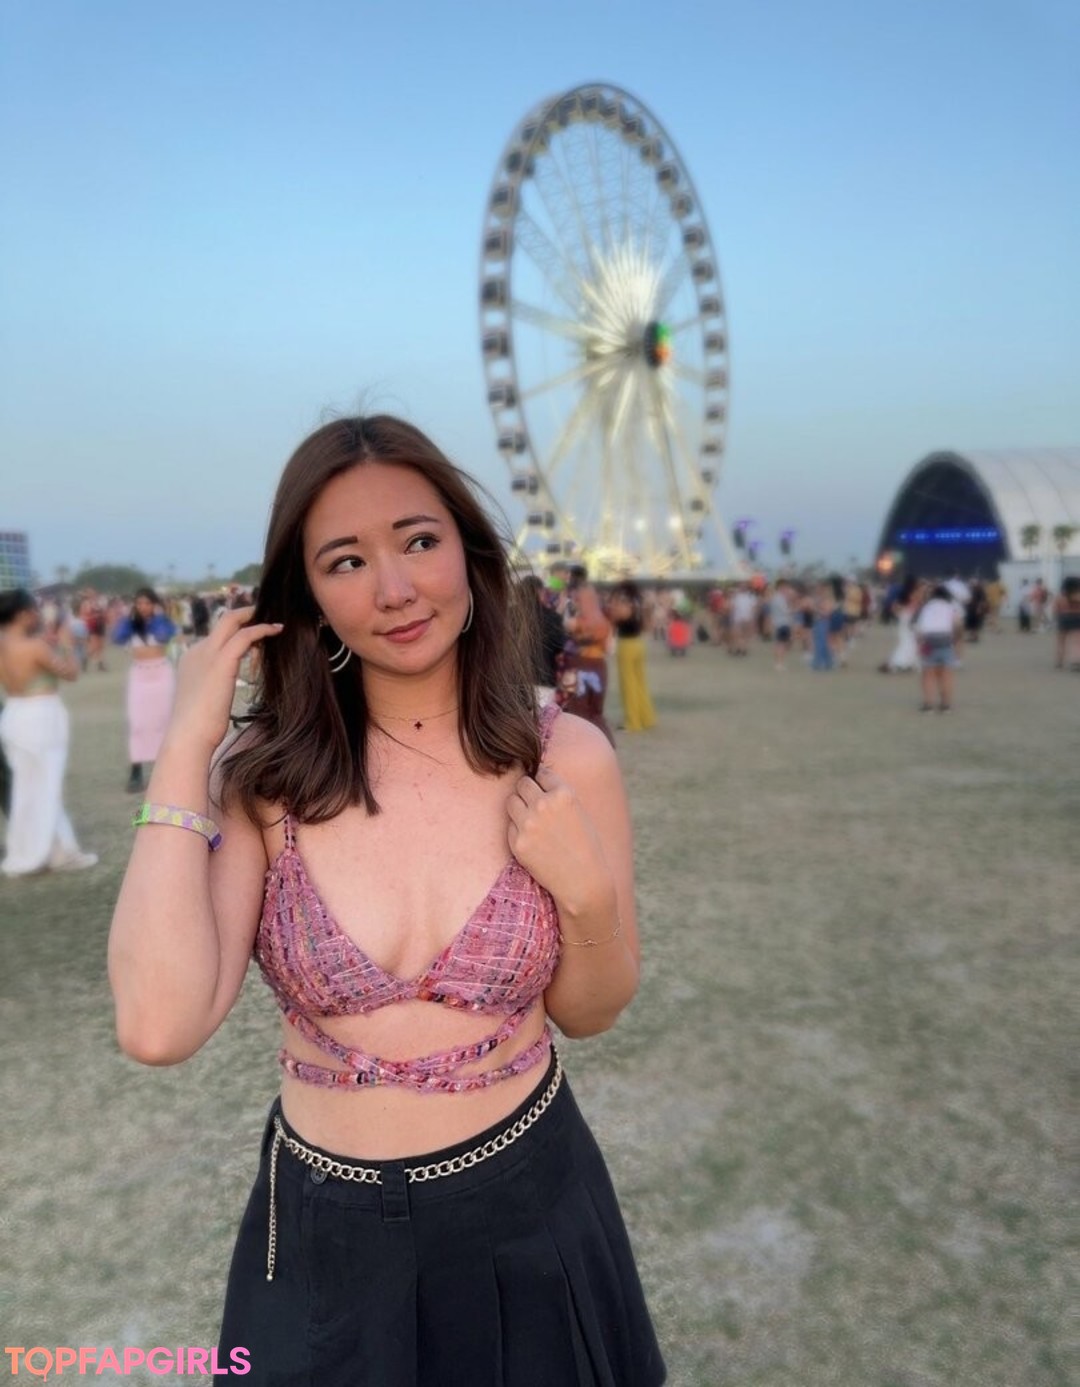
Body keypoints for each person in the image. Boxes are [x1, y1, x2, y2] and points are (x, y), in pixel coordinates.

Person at [107, 415, 665, 1386]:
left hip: (532, 1211)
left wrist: (584, 893)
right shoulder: (262, 780)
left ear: (468, 553)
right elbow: (158, 1025)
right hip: (324, 1239)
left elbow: (593, 1009)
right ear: (309, 594)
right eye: (347, 560)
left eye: (418, 540)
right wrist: (187, 747)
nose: (396, 588)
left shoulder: (565, 758)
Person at [0, 588, 97, 875]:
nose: (37, 615)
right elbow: (70, 673)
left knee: (27, 788)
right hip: (40, 715)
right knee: (46, 785)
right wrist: (67, 645)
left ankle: (37, 850)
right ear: (22, 614)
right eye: (33, 610)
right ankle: (59, 852)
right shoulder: (33, 647)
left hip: (13, 714)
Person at [112, 587, 177, 792]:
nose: (143, 607)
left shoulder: (162, 622)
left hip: (161, 673)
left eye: (148, 603)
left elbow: (164, 635)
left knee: (162, 721)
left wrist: (156, 617)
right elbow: (117, 638)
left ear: (154, 604)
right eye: (139, 603)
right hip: (139, 674)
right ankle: (136, 770)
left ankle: (164, 768)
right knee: (138, 722)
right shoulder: (130, 624)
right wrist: (130, 621)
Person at [608, 579, 657, 730]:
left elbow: (619, 616)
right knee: (640, 682)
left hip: (626, 644)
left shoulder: (624, 601)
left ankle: (632, 721)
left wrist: (613, 610)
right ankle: (646, 717)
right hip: (638, 642)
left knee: (628, 684)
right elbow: (647, 623)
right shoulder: (639, 602)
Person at [518, 573, 566, 705]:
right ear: (540, 592)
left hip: (512, 682)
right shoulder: (553, 618)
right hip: (543, 682)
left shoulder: (508, 615)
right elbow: (560, 651)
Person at [914, 583, 960, 712]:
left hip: (929, 642)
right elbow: (957, 625)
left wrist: (919, 644)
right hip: (946, 641)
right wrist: (955, 641)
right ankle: (945, 704)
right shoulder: (950, 607)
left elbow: (920, 628)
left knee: (928, 675)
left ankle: (928, 704)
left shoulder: (926, 607)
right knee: (946, 675)